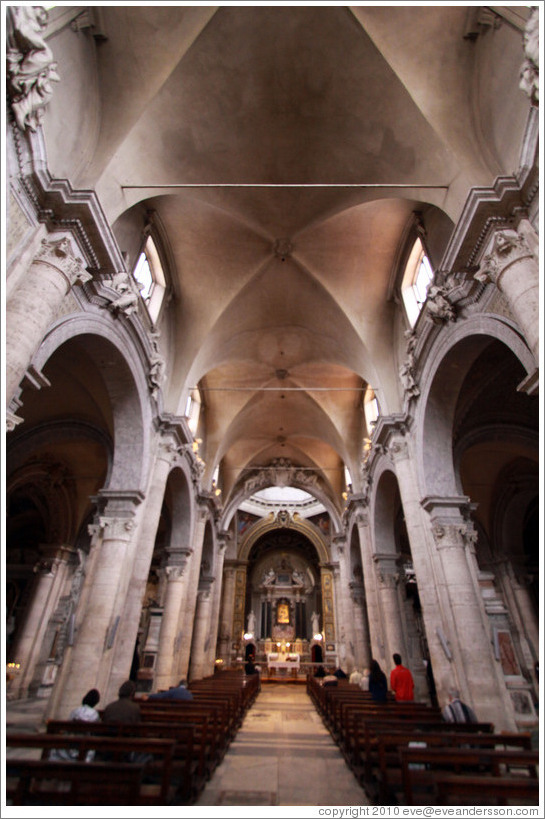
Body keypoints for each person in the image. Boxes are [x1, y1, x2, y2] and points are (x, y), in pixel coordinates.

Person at [49, 688, 101, 761]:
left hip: (69, 744)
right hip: (85, 746)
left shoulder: (75, 710)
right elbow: (96, 730)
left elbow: (68, 725)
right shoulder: (94, 714)